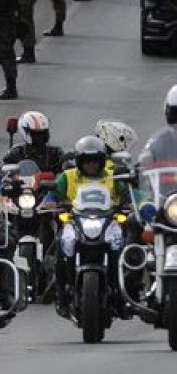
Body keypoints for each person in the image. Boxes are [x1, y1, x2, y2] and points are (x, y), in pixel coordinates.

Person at [47, 135, 129, 317]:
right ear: (79, 162)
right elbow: (52, 194)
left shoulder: (113, 176)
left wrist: (129, 204)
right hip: (76, 221)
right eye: (87, 161)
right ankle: (61, 292)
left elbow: (127, 194)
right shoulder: (67, 177)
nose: (91, 165)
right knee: (63, 245)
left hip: (109, 221)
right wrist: (50, 202)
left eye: (95, 161)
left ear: (102, 161)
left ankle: (124, 293)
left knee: (122, 246)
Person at [0, 0, 18, 100]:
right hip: (8, 24)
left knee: (6, 57)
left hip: (5, 26)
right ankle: (11, 87)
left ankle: (11, 89)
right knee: (7, 56)